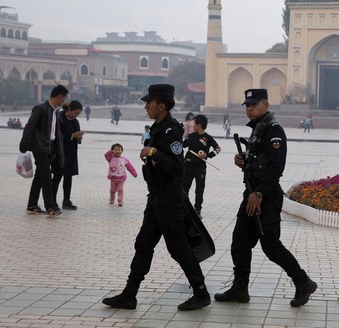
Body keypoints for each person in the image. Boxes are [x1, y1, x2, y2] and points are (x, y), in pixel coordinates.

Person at [102, 84, 211, 311]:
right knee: (143, 244)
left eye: (149, 103)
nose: (146, 106)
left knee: (179, 248)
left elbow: (176, 168)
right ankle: (129, 294)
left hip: (169, 200)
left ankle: (201, 293)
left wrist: (153, 152)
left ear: (161, 105)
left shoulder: (170, 131)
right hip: (156, 198)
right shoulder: (157, 128)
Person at [214, 88, 317, 307]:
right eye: (247, 105)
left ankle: (303, 282)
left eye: (253, 104)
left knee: (271, 246)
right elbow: (260, 161)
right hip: (251, 194)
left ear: (266, 105)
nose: (249, 108)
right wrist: (245, 161)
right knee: (239, 242)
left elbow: (276, 167)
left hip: (265, 196)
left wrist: (259, 193)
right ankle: (240, 289)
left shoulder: (274, 130)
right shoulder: (257, 129)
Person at [19, 85, 68, 218]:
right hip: (39, 147)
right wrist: (24, 145)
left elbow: (54, 132)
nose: (64, 101)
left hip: (49, 148)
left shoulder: (54, 111)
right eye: (64, 98)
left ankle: (32, 204)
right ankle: (50, 207)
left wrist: (57, 149)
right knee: (47, 176)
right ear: (59, 97)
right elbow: (30, 127)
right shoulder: (41, 109)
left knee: (40, 176)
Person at [182, 114, 221, 216]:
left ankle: (197, 209)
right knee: (184, 187)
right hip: (188, 165)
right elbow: (183, 145)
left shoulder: (207, 138)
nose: (192, 125)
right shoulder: (191, 136)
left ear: (199, 125)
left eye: (194, 123)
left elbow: (218, 149)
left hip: (200, 167)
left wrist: (207, 155)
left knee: (199, 189)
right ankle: (186, 207)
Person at [52, 101, 84, 210]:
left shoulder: (75, 122)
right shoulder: (59, 118)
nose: (76, 116)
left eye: (78, 114)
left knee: (68, 177)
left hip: (71, 153)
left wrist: (79, 138)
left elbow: (76, 135)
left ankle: (66, 200)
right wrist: (71, 136)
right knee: (57, 176)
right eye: (75, 113)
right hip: (60, 153)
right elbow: (56, 135)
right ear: (69, 109)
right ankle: (52, 201)